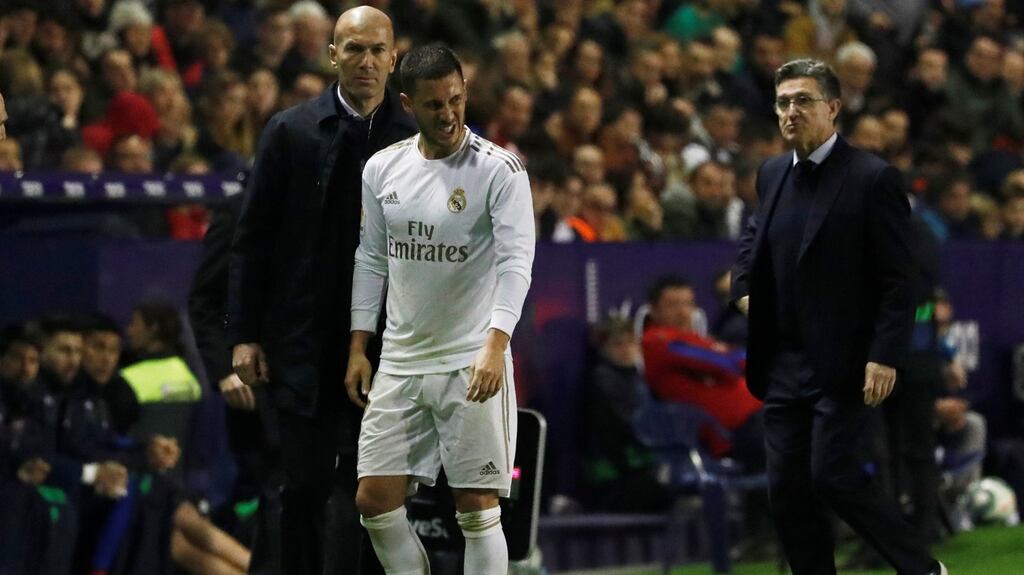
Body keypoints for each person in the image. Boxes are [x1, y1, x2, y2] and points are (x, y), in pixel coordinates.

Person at [730, 58, 946, 575]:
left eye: (802, 100)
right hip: (782, 360)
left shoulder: (873, 178)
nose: (790, 112)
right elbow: (751, 249)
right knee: (785, 488)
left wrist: (884, 356)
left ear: (833, 107)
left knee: (833, 476)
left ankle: (923, 569)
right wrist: (745, 294)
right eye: (783, 102)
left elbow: (902, 279)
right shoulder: (773, 172)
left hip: (845, 361)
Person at [226, 6, 416, 575]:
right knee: (303, 487)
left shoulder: (414, 138)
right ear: (332, 55)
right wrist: (245, 336)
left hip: (388, 347)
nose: (365, 61)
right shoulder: (290, 130)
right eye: (353, 48)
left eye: (377, 50)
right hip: (302, 342)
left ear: (393, 58)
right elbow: (252, 238)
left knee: (377, 499)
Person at [346, 43, 534, 575]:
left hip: (469, 360)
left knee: (476, 508)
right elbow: (371, 259)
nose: (449, 114)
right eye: (434, 105)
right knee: (373, 502)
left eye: (456, 99)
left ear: (465, 91)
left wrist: (496, 344)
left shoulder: (500, 170)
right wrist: (360, 344)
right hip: (401, 362)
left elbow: (517, 264)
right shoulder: (382, 169)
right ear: (407, 103)